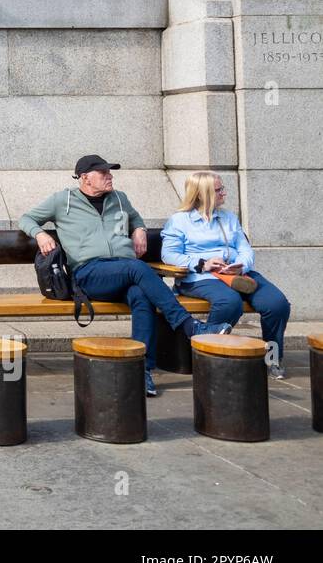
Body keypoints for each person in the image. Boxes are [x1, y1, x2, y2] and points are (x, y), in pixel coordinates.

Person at [19, 155, 229, 397]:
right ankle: (189, 325)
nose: (110, 177)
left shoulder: (120, 198)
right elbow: (26, 218)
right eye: (104, 173)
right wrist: (40, 235)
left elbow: (135, 217)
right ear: (85, 178)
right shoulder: (62, 200)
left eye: (110, 172)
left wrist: (139, 229)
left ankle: (142, 371)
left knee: (141, 296)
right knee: (137, 268)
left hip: (124, 273)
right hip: (89, 272)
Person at [162, 172, 291, 380]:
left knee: (277, 305)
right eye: (219, 190)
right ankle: (211, 358)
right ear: (202, 194)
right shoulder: (179, 221)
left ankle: (272, 359)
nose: (224, 193)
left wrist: (241, 265)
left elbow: (245, 249)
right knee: (229, 303)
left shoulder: (229, 218)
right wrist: (203, 263)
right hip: (200, 277)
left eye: (222, 188)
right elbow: (169, 255)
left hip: (237, 274)